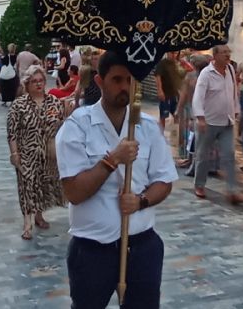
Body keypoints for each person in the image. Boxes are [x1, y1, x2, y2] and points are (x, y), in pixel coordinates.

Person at [55, 51, 178, 308]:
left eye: (130, 80)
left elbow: (164, 180)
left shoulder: (147, 126)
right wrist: (112, 160)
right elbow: (74, 192)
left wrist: (141, 201)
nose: (125, 87)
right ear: (100, 82)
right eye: (117, 80)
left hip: (142, 245)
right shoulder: (77, 126)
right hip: (93, 250)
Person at [7, 65, 65, 240]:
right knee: (27, 185)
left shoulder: (54, 102)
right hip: (27, 152)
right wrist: (14, 153)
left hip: (48, 152)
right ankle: (27, 221)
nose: (38, 84)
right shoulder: (19, 105)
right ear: (27, 84)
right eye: (34, 81)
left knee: (42, 185)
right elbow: (12, 132)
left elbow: (62, 126)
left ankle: (39, 215)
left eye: (41, 81)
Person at [192, 45, 243, 203]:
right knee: (203, 154)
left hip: (227, 121)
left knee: (229, 154)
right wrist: (200, 118)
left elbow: (233, 92)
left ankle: (231, 190)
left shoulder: (230, 69)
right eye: (224, 53)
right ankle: (199, 184)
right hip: (208, 122)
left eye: (229, 52)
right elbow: (198, 97)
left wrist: (236, 109)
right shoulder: (206, 74)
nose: (228, 55)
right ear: (214, 56)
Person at [154, 52, 182, 131]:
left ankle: (177, 134)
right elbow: (157, 76)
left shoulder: (177, 64)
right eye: (172, 53)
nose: (174, 55)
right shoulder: (162, 63)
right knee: (164, 116)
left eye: (175, 53)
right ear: (168, 53)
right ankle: (161, 135)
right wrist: (160, 90)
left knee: (176, 115)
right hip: (166, 94)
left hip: (175, 94)